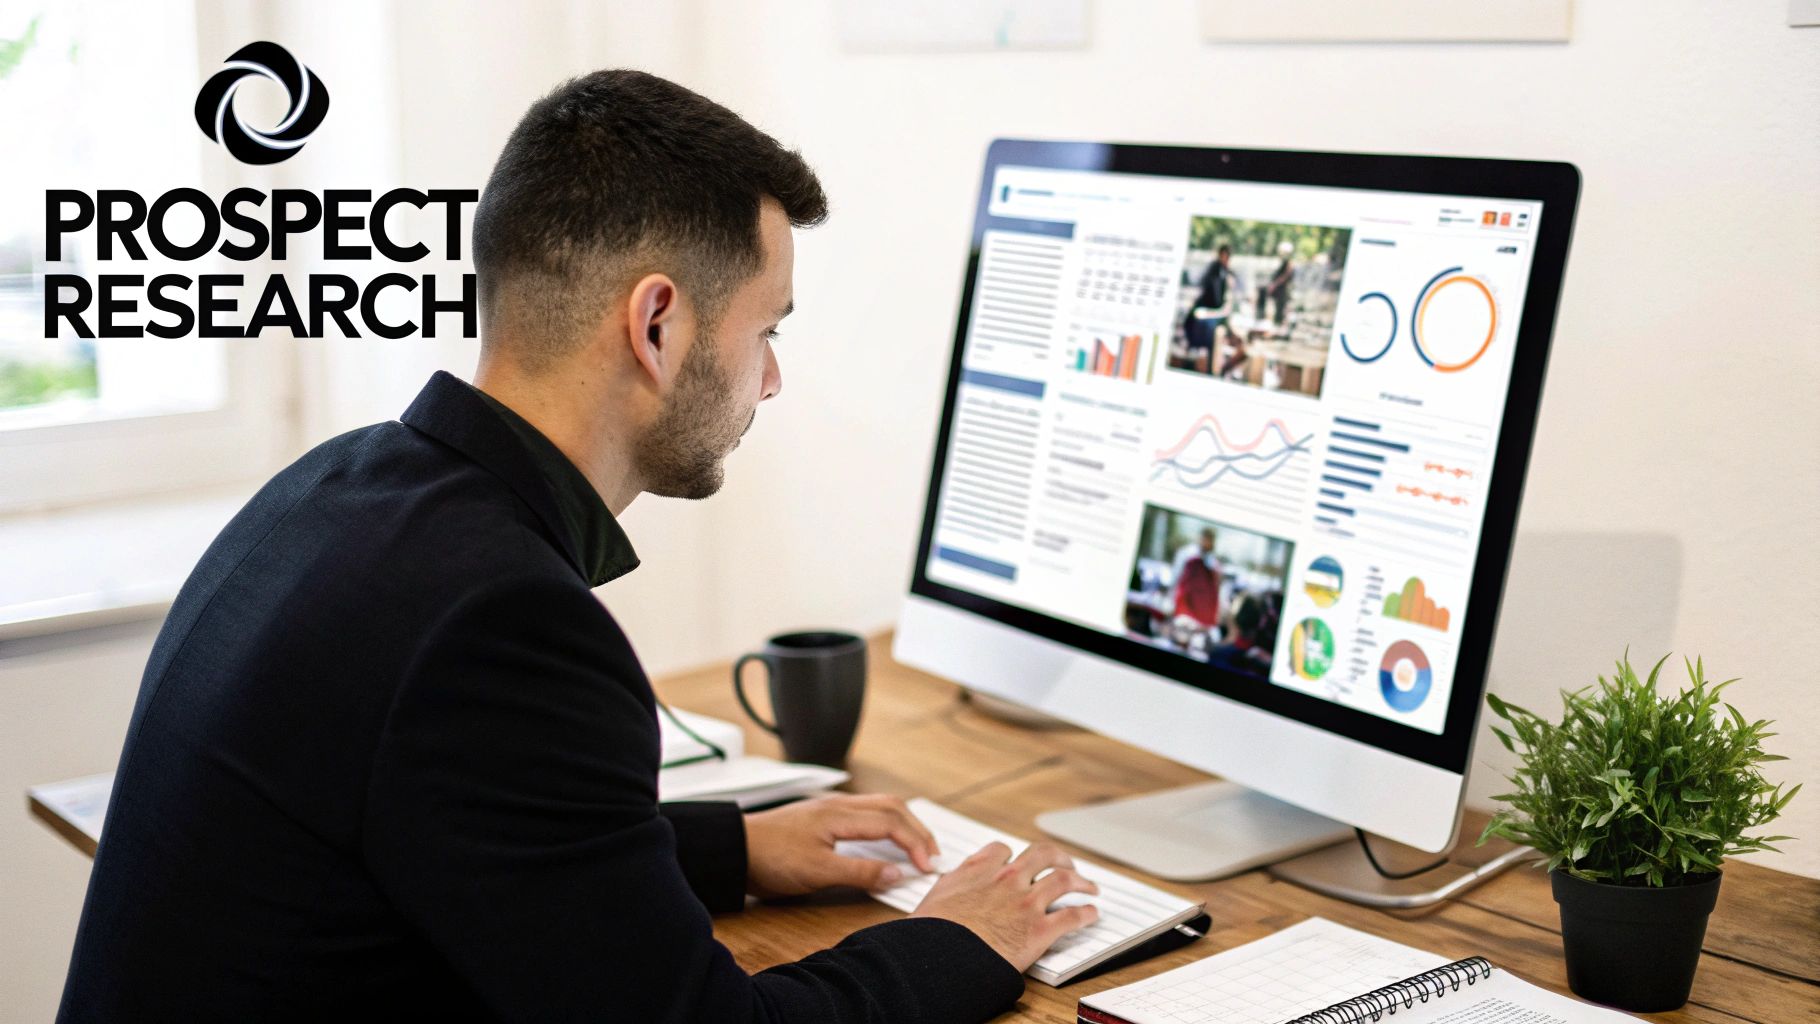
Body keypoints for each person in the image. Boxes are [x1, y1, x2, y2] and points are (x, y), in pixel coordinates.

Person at [57, 70, 1099, 1024]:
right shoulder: (504, 621)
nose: (770, 379)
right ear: (657, 324)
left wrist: (733, 848)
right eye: (766, 329)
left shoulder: (337, 489)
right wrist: (957, 940)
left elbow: (464, 841)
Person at [1181, 244, 1234, 370]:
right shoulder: (1215, 269)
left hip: (1214, 308)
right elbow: (1212, 292)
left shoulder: (1225, 271)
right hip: (1208, 306)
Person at [1258, 240, 1296, 327]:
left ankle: (1280, 326)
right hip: (1279, 291)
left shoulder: (1289, 263)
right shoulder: (1284, 262)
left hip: (1283, 291)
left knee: (1281, 309)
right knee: (1277, 308)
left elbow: (1285, 276)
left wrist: (1274, 284)